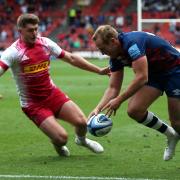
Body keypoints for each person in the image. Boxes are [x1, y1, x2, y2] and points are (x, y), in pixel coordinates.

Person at [0, 13, 109, 157]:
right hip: (33, 104)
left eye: (36, 29)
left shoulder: (45, 43)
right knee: (61, 138)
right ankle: (58, 146)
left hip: (52, 94)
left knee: (82, 123)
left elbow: (71, 58)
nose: (34, 33)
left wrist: (99, 70)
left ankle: (82, 141)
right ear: (20, 31)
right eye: (30, 30)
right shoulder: (13, 52)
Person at [90, 25, 180, 161]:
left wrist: (119, 100)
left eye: (103, 49)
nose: (102, 53)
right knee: (134, 110)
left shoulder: (132, 44)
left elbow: (142, 77)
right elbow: (113, 87)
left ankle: (175, 130)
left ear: (113, 41)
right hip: (155, 74)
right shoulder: (115, 56)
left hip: (175, 69)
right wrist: (98, 108)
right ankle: (171, 135)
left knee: (177, 122)